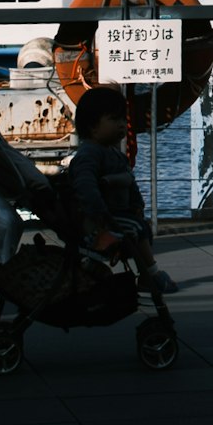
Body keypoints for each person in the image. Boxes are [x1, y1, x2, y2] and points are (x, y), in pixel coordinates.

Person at [64, 87, 172, 291]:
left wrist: (137, 205)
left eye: (123, 119)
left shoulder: (115, 154)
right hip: (97, 221)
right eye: (114, 119)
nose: (122, 124)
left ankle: (145, 272)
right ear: (93, 127)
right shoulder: (89, 154)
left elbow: (130, 184)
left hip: (117, 213)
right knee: (136, 230)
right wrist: (99, 214)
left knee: (141, 226)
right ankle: (151, 273)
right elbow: (85, 186)